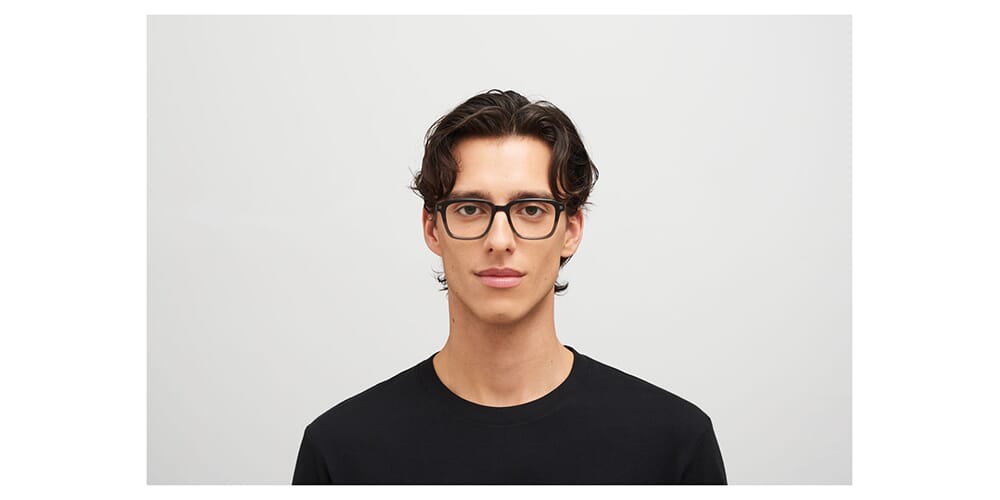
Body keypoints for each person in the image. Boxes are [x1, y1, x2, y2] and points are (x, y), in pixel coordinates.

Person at [292, 89, 727, 485]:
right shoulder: (341, 452)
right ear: (432, 228)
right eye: (470, 208)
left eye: (531, 209)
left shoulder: (673, 445)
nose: (499, 240)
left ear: (572, 229)